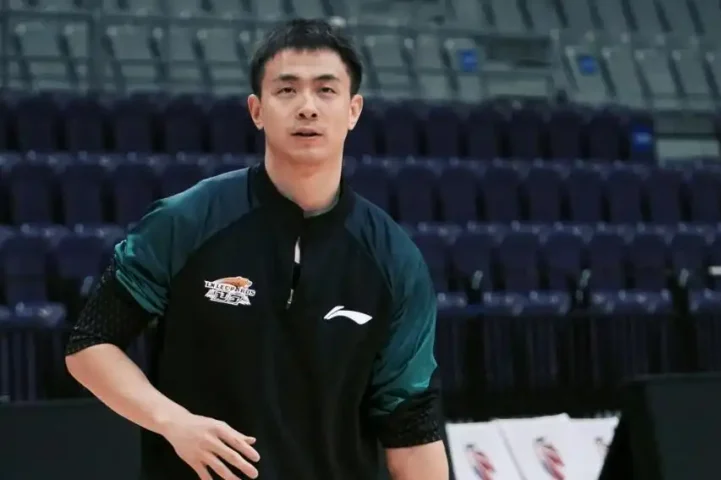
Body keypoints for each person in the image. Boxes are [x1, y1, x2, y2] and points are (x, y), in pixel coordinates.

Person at [64, 18, 449, 480]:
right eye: (286, 90)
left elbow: (412, 429)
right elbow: (90, 343)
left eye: (326, 90)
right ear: (257, 110)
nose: (307, 107)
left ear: (353, 110)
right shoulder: (188, 221)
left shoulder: (395, 260)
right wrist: (173, 422)